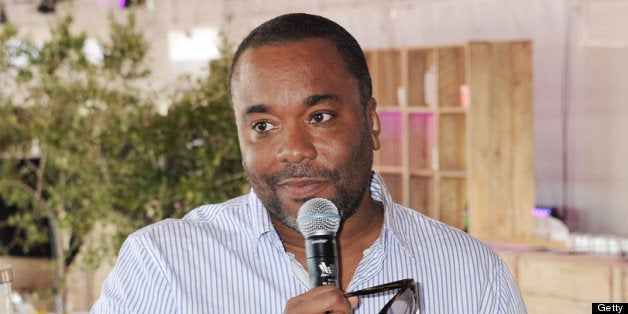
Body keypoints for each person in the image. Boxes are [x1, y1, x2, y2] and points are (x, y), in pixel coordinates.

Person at [91, 13, 526, 313]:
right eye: (263, 125)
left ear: (371, 122)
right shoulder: (164, 263)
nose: (292, 149)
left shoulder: (470, 272)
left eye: (319, 117)